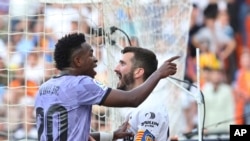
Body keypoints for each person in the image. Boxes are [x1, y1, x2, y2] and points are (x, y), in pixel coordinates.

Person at [34, 33, 179, 141]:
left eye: (122, 63)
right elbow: (133, 99)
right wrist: (159, 73)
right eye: (90, 55)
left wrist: (113, 135)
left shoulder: (44, 88)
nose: (96, 59)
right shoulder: (81, 83)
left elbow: (75, 135)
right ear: (78, 60)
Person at [113, 47, 169, 141]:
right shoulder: (139, 105)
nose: (116, 68)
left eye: (122, 64)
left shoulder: (150, 107)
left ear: (138, 72)